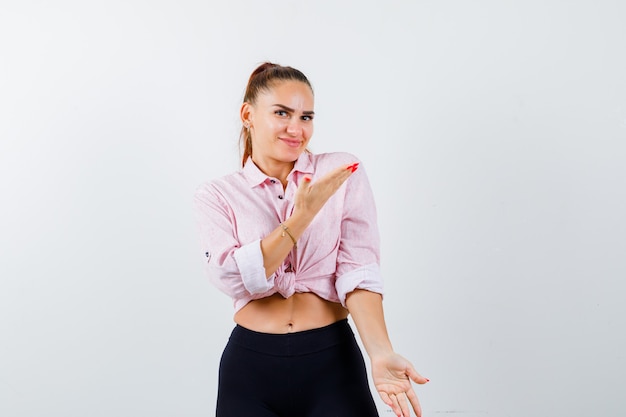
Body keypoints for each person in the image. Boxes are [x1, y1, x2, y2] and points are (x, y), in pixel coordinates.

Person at [194, 62, 428, 417]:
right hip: (250, 368)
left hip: (332, 363)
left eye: (306, 117)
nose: (296, 128)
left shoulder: (340, 173)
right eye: (282, 113)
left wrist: (379, 352)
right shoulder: (218, 195)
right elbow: (231, 277)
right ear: (248, 114)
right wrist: (301, 217)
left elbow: (358, 270)